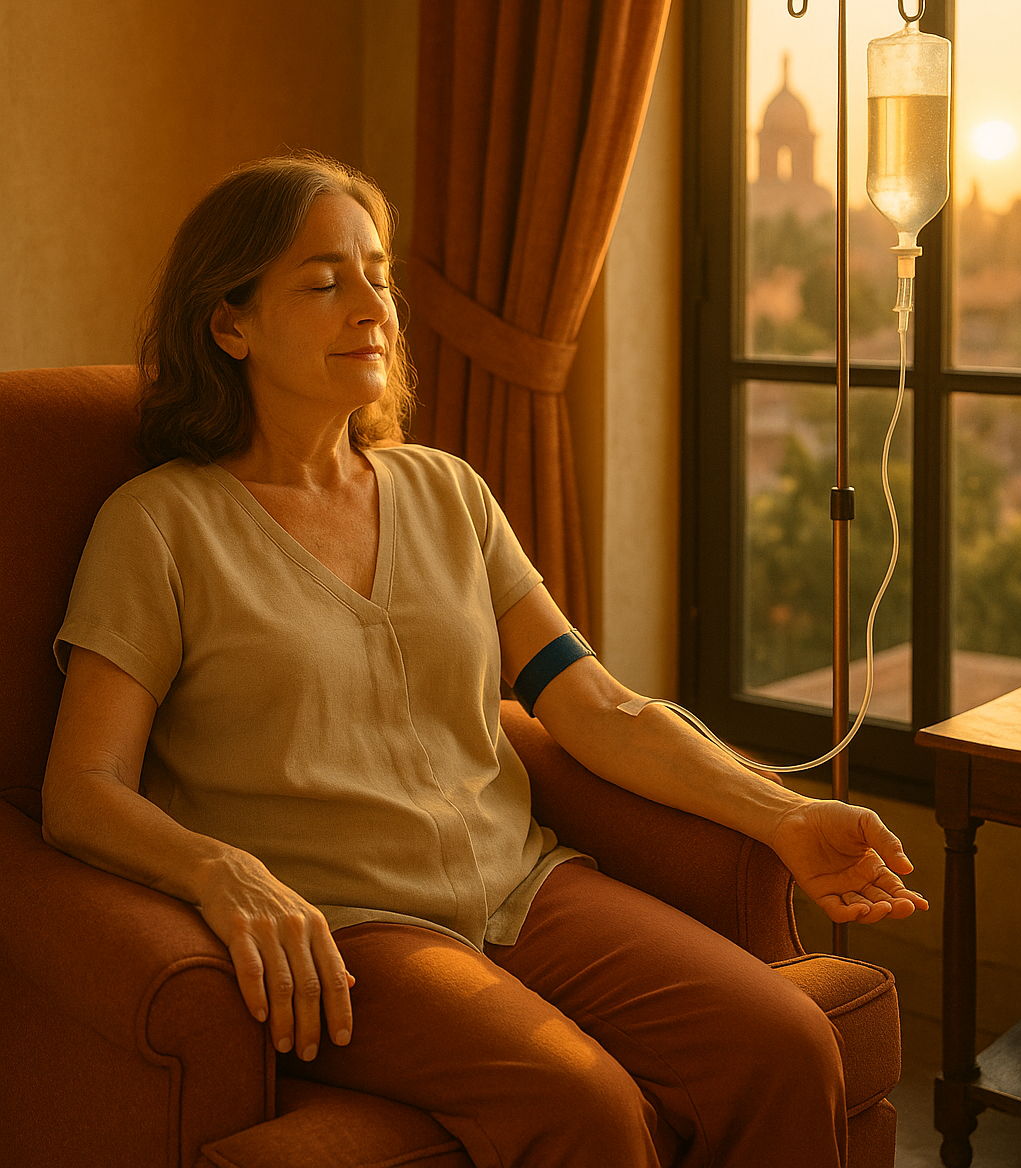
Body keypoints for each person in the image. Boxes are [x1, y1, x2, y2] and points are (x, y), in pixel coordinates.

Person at [42, 153, 927, 1168]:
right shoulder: (159, 526)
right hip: (350, 929)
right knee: (583, 1107)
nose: (372, 306)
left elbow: (592, 707)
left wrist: (788, 816)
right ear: (229, 323)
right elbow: (82, 787)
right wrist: (221, 871)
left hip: (524, 887)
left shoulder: (447, 494)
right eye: (325, 282)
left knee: (786, 1045)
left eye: (378, 274)